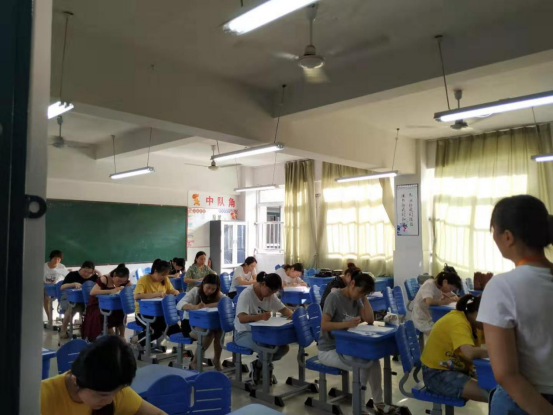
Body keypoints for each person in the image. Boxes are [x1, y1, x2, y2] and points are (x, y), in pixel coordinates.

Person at [478, 195, 553, 414]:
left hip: (526, 401)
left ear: (508, 237)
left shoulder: (502, 287)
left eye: (494, 231)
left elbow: (506, 374)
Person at [318, 270, 398, 414]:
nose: (360, 296)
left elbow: (370, 320)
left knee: (373, 360)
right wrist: (346, 324)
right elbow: (324, 325)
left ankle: (378, 402)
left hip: (347, 346)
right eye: (360, 292)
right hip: (329, 349)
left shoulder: (356, 298)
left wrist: (364, 298)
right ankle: (359, 409)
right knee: (362, 365)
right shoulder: (334, 297)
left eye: (364, 294)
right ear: (352, 283)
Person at [41, 335, 166, 415]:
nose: (109, 401)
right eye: (102, 395)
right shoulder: (41, 397)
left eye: (115, 393)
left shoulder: (112, 389)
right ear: (76, 380)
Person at [421, 294, 489, 402]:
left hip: (459, 369)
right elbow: (470, 352)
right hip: (436, 374)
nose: (491, 324)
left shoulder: (475, 323)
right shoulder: (458, 321)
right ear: (477, 313)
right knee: (494, 395)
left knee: (500, 387)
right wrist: (498, 352)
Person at [234, 272, 293, 384]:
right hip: (244, 333)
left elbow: (284, 309)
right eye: (270, 291)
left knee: (283, 348)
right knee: (266, 349)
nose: (271, 295)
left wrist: (292, 314)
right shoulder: (246, 294)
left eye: (274, 293)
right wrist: (260, 316)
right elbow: (242, 318)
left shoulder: (270, 295)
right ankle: (266, 370)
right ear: (263, 284)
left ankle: (258, 365)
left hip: (262, 333)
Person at [177, 273, 225, 371]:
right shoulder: (195, 291)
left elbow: (227, 302)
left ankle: (217, 359)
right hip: (189, 324)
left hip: (207, 323)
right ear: (203, 284)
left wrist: (208, 305)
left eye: (213, 289)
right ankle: (194, 362)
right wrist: (194, 307)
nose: (210, 291)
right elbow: (180, 304)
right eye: (208, 288)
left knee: (220, 332)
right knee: (208, 333)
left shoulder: (218, 294)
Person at [132, 260, 180, 348]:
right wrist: (156, 294)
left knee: (174, 328)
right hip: (143, 313)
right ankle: (135, 343)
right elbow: (136, 296)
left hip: (160, 313)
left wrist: (175, 292)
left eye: (166, 275)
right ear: (155, 271)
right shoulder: (144, 279)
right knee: (155, 331)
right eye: (162, 274)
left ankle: (178, 349)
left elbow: (171, 290)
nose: (164, 277)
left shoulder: (165, 279)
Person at [81, 264, 131, 342]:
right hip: (97, 306)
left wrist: (127, 287)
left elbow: (130, 287)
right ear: (114, 275)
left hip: (112, 305)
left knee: (122, 312)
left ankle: (122, 336)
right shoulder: (104, 278)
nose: (120, 283)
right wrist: (111, 291)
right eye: (119, 281)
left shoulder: (123, 281)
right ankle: (115, 338)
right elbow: (92, 292)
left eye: (123, 282)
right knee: (104, 315)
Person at [412, 268, 463, 335]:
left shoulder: (440, 287)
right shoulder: (429, 284)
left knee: (450, 329)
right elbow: (429, 301)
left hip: (430, 317)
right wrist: (445, 302)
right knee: (442, 334)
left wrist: (454, 298)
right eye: (450, 288)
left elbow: (453, 295)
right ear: (445, 282)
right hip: (421, 319)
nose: (450, 290)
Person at [59, 261, 102, 339]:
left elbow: (101, 286)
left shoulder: (94, 277)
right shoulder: (72, 275)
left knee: (97, 310)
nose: (86, 274)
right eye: (84, 271)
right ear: (81, 268)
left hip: (88, 302)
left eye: (89, 273)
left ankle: (92, 331)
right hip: (72, 300)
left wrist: (99, 274)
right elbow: (62, 287)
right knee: (72, 308)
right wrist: (73, 284)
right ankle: (63, 329)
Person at [44, 250, 69, 322]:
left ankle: (64, 315)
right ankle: (49, 318)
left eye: (59, 259)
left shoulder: (61, 267)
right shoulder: (44, 266)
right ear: (51, 258)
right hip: (46, 287)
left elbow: (67, 277)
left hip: (57, 287)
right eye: (55, 258)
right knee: (45, 297)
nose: (56, 261)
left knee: (65, 296)